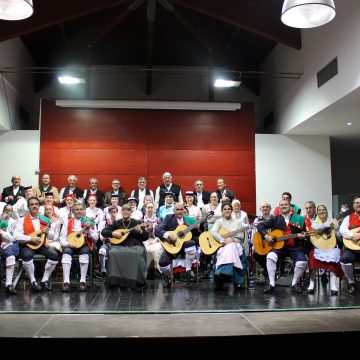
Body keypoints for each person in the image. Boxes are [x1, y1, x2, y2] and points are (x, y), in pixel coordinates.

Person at [257, 199, 308, 294]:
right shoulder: (275, 218)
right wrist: (266, 236)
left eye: (286, 204)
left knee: (302, 262)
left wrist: (303, 236)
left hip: (294, 247)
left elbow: (304, 232)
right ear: (279, 207)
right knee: (270, 257)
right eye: (281, 205)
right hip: (279, 248)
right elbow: (260, 226)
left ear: (290, 206)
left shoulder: (299, 218)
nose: (283, 206)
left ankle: (294, 283)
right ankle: (272, 284)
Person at [13, 196, 59, 291]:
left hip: (42, 246)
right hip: (28, 245)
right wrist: (30, 238)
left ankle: (44, 280)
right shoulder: (22, 220)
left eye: (36, 204)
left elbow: (51, 237)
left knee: (54, 256)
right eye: (32, 204)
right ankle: (33, 280)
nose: (34, 206)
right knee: (27, 255)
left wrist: (48, 232)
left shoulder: (45, 220)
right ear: (28, 207)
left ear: (39, 206)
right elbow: (16, 236)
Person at [101, 203, 149, 289]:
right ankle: (115, 281)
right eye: (123, 210)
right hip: (119, 245)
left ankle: (135, 280)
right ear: (121, 212)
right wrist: (113, 233)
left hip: (135, 244)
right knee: (112, 252)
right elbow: (104, 231)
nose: (125, 212)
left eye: (127, 210)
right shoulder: (116, 222)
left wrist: (141, 232)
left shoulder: (137, 222)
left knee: (136, 254)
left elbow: (145, 237)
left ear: (131, 212)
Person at [155, 202, 200, 288]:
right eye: (177, 209)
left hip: (186, 249)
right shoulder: (169, 218)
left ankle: (188, 270)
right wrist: (168, 235)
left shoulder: (189, 220)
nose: (179, 211)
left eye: (181, 209)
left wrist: (194, 240)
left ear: (184, 210)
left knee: (190, 243)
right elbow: (157, 230)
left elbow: (198, 235)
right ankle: (169, 276)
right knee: (162, 263)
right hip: (172, 247)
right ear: (174, 211)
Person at [59, 201, 98, 292]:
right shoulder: (67, 222)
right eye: (76, 210)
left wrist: (89, 230)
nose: (79, 211)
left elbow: (96, 238)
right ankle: (66, 282)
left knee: (84, 253)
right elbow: (61, 239)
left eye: (81, 209)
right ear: (72, 211)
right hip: (70, 245)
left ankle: (83, 281)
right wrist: (68, 244)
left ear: (84, 211)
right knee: (66, 252)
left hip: (84, 245)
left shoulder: (89, 221)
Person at [210, 202, 249, 290]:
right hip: (222, 245)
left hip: (236, 245)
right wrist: (221, 239)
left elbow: (241, 237)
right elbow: (213, 232)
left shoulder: (238, 222)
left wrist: (232, 240)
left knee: (231, 246)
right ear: (222, 211)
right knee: (229, 248)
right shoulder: (219, 222)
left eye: (229, 209)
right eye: (225, 209)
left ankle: (221, 272)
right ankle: (237, 279)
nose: (227, 210)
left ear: (231, 211)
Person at [306, 204, 343, 295]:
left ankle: (333, 285)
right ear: (317, 212)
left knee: (333, 258)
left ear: (326, 211)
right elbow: (313, 235)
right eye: (319, 210)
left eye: (323, 210)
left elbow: (338, 236)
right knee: (313, 259)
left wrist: (334, 230)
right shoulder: (315, 223)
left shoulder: (333, 221)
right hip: (319, 247)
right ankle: (312, 283)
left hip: (331, 247)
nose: (322, 211)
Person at [339, 195, 360, 294]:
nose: (358, 204)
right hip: (353, 248)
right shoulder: (348, 218)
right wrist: (352, 236)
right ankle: (351, 282)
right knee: (344, 259)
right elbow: (342, 230)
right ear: (353, 205)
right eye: (357, 203)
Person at [251, 201, 275, 282]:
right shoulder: (257, 219)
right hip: (261, 244)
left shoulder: (274, 218)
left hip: (272, 244)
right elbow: (254, 233)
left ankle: (267, 272)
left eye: (267, 206)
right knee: (256, 254)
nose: (265, 208)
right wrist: (254, 246)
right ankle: (268, 270)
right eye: (263, 207)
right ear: (260, 209)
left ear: (270, 208)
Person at [0, 204, 20, 294]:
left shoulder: (14, 221)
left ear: (12, 212)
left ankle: (8, 284)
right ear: (3, 211)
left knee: (10, 256)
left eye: (9, 210)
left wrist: (7, 240)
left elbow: (14, 237)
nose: (8, 212)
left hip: (12, 243)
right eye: (6, 210)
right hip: (1, 243)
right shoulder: (0, 220)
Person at [143, 201, 162, 278]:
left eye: (151, 207)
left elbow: (161, 232)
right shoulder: (142, 220)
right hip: (145, 240)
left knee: (158, 249)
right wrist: (147, 240)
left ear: (154, 209)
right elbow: (141, 233)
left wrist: (154, 240)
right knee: (148, 250)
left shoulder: (158, 220)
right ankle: (149, 270)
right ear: (145, 209)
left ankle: (158, 270)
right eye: (148, 207)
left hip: (156, 240)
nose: (150, 209)